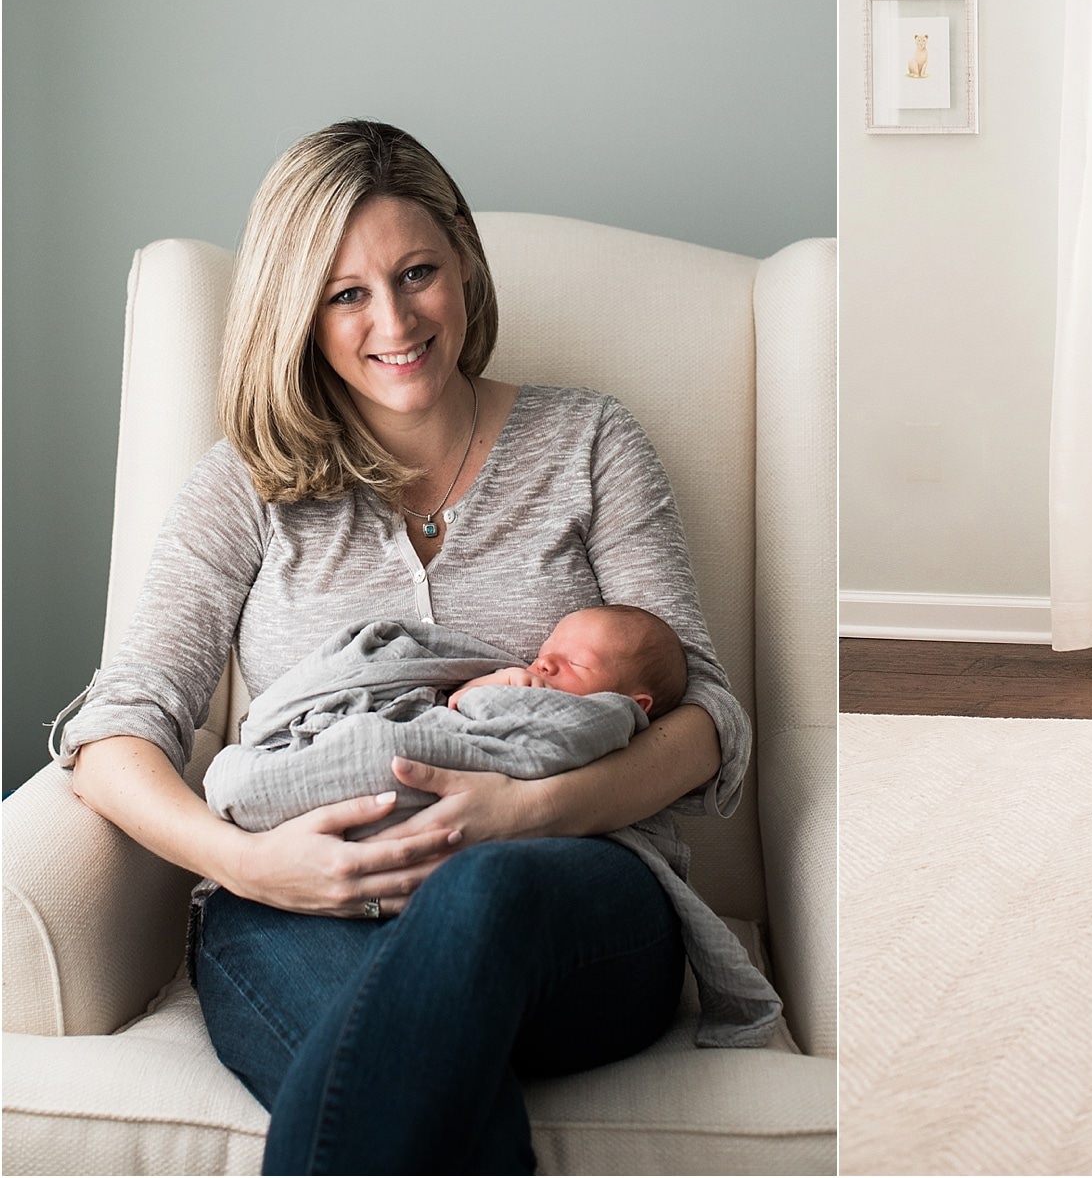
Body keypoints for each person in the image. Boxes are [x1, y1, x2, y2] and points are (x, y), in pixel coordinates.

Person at [59, 119, 761, 1172]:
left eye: (417, 271)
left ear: (464, 267)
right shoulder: (241, 489)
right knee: (415, 1093)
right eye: (346, 293)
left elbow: (708, 718)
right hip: (294, 908)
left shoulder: (590, 443)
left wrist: (525, 809)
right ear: (298, 313)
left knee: (481, 900)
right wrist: (252, 861)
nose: (394, 318)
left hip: (567, 895)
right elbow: (116, 728)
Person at [450, 603, 690, 715]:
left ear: (633, 706)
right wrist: (499, 681)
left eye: (576, 662)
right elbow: (454, 703)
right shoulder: (517, 684)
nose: (545, 662)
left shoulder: (607, 725)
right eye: (544, 652)